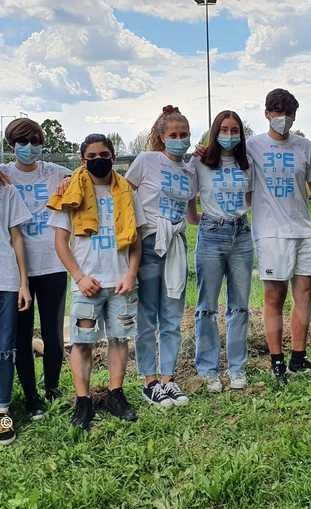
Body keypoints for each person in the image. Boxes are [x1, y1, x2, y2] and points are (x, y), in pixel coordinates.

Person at [247, 88, 311, 384]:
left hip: (303, 230)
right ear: (266, 113)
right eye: (277, 111)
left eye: (289, 113)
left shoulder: (305, 147)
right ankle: (276, 359)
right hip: (271, 233)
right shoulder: (253, 146)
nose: (283, 118)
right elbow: (237, 176)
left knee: (304, 295)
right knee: (274, 297)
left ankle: (298, 358)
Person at [48, 134, 143, 430]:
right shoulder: (71, 190)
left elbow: (136, 240)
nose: (98, 160)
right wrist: (78, 275)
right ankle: (83, 400)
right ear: (82, 160)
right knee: (81, 343)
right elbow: (61, 242)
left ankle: (115, 394)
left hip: (120, 282)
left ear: (113, 157)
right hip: (86, 284)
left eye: (104, 154)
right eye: (92, 156)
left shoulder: (126, 189)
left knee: (119, 339)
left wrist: (130, 273)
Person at [1, 118, 71, 420]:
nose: (30, 148)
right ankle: (31, 396)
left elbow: (86, 174)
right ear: (11, 146)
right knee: (22, 336)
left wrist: (74, 180)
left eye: (35, 142)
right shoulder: (4, 175)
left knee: (54, 333)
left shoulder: (54, 172)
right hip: (19, 269)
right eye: (22, 143)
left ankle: (53, 388)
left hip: (53, 262)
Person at [125, 105, 196, 406]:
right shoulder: (147, 161)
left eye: (184, 135)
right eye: (174, 135)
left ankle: (168, 377)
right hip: (150, 243)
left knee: (171, 315)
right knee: (147, 316)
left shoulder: (190, 169)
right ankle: (149, 380)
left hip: (176, 244)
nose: (180, 139)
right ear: (162, 137)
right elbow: (124, 192)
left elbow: (192, 211)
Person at [187, 110, 253, 392]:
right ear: (215, 132)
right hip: (212, 234)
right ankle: (208, 368)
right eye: (224, 129)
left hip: (241, 234)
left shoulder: (246, 164)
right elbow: (190, 196)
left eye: (234, 130)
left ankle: (236, 367)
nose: (229, 135)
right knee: (207, 306)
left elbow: (249, 197)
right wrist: (196, 218)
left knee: (239, 306)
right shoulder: (200, 162)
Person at [0, 184, 32, 445]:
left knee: (5, 348)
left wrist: (24, 283)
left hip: (6, 280)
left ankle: (3, 412)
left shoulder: (6, 191)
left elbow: (16, 236)